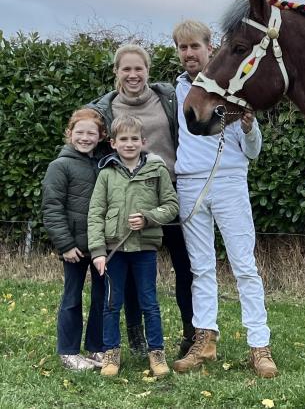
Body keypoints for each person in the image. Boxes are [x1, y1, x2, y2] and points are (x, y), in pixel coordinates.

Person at [171, 20, 278, 378]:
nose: (189, 54)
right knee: (200, 267)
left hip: (229, 180)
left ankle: (258, 345)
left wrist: (249, 127)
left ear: (209, 47)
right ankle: (205, 338)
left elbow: (253, 151)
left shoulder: (231, 86)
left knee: (244, 265)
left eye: (195, 47)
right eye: (183, 48)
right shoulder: (175, 92)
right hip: (189, 184)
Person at [88, 44, 195, 357]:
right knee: (133, 268)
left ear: (148, 71)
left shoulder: (168, 98)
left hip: (169, 190)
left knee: (185, 267)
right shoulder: (104, 110)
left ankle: (191, 335)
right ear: (116, 72)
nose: (133, 75)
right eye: (126, 69)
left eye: (139, 69)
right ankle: (136, 336)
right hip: (129, 192)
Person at [88, 115, 178, 378]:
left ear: (143, 141)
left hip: (144, 250)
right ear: (113, 143)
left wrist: (149, 218)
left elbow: (172, 206)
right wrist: (97, 252)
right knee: (112, 304)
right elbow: (95, 213)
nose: (129, 144)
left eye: (134, 139)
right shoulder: (106, 173)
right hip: (114, 251)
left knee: (149, 302)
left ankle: (157, 354)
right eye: (123, 139)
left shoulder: (157, 170)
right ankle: (111, 354)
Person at [41, 108, 107, 371]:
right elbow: (52, 208)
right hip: (75, 248)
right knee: (72, 297)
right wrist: (65, 245)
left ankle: (96, 348)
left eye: (91, 133)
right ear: (69, 134)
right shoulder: (60, 166)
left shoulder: (105, 163)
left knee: (102, 298)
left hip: (101, 245)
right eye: (79, 132)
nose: (85, 137)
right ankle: (68, 351)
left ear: (100, 136)